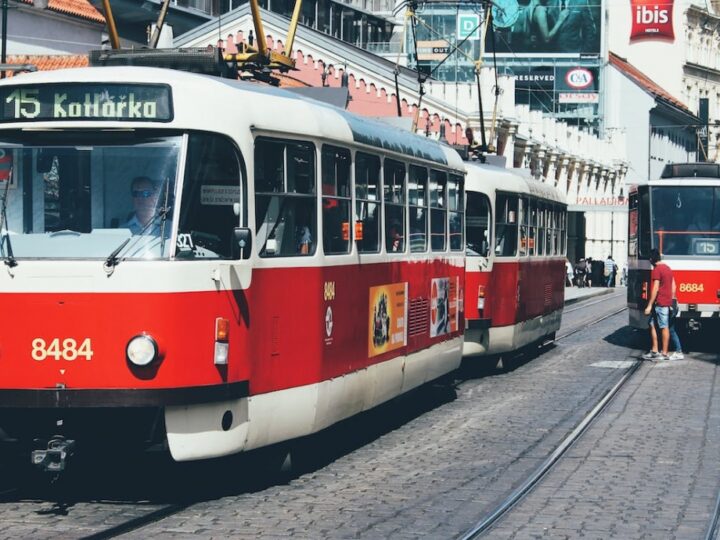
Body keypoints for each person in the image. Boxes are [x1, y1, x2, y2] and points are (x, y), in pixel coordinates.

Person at [643, 249, 682, 360]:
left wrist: (650, 304)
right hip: (665, 302)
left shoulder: (657, 269)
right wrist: (672, 299)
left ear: (651, 259)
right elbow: (674, 285)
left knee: (664, 327)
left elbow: (655, 288)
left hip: (661, 303)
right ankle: (655, 350)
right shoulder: (667, 268)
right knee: (652, 323)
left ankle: (664, 353)